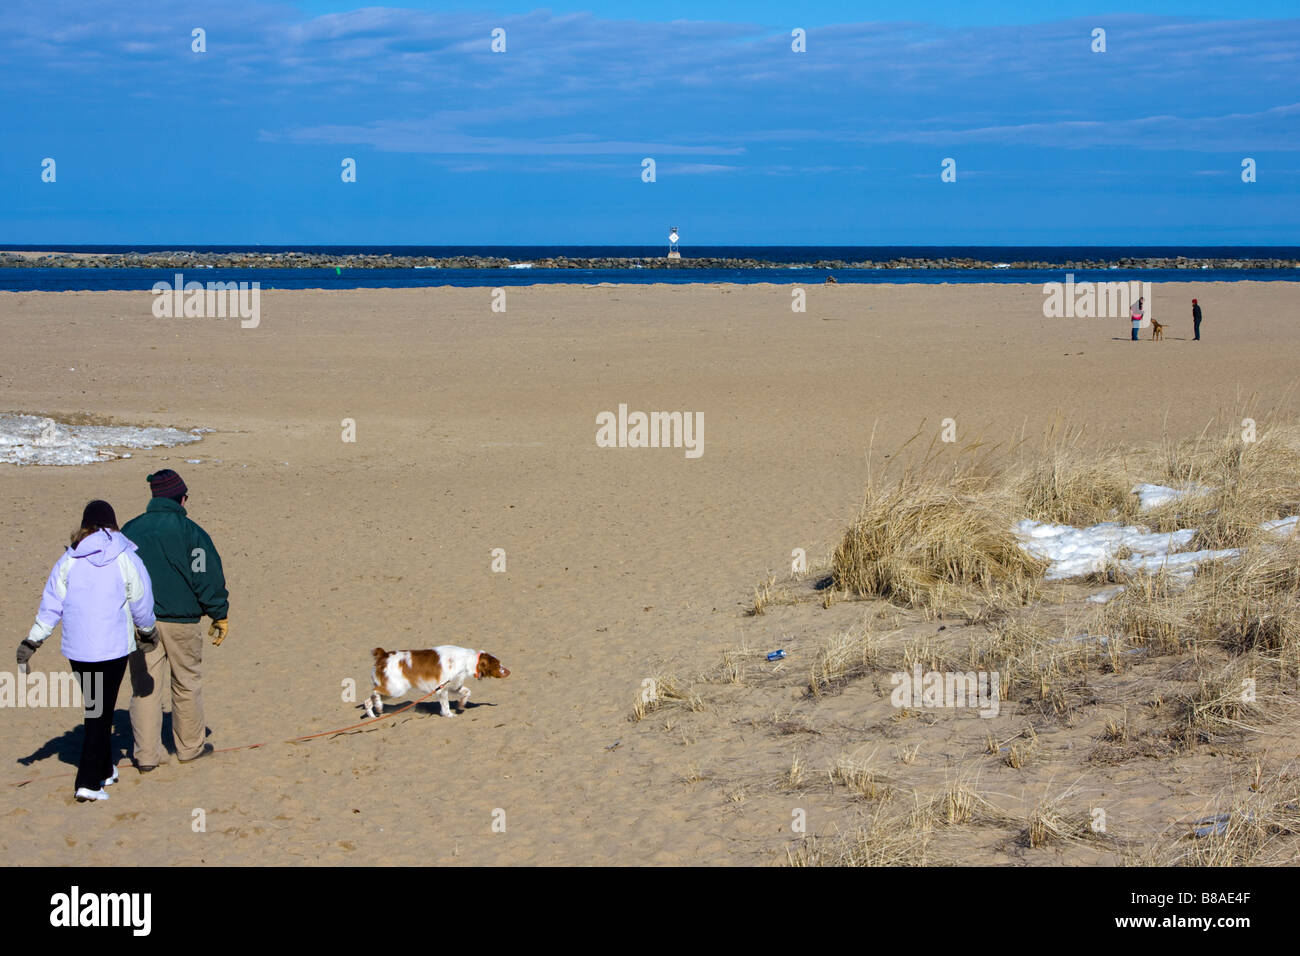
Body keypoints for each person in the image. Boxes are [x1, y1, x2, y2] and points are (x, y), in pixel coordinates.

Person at [17, 501, 157, 802]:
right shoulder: (125, 556)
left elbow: (51, 605)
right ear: (112, 523)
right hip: (112, 650)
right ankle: (88, 783)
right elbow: (141, 600)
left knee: (98, 709)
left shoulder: (69, 558)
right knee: (98, 713)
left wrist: (33, 640)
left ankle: (105, 769)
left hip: (79, 652)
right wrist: (147, 631)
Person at [123, 470, 229, 771]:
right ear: (180, 498)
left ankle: (146, 756)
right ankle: (190, 747)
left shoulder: (131, 530)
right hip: (181, 622)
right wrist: (219, 613)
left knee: (145, 688)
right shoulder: (191, 532)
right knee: (186, 683)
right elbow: (205, 576)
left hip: (140, 622)